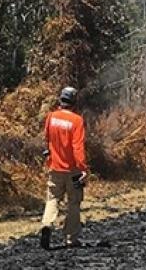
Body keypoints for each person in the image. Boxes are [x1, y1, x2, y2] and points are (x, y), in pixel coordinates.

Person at [40, 86, 88, 250]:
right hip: (73, 171)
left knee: (53, 198)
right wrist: (83, 168)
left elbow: (46, 140)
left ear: (61, 100)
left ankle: (47, 224)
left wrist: (49, 157)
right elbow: (77, 148)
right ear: (74, 101)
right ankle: (70, 239)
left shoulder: (51, 117)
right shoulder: (77, 121)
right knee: (74, 202)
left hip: (54, 168)